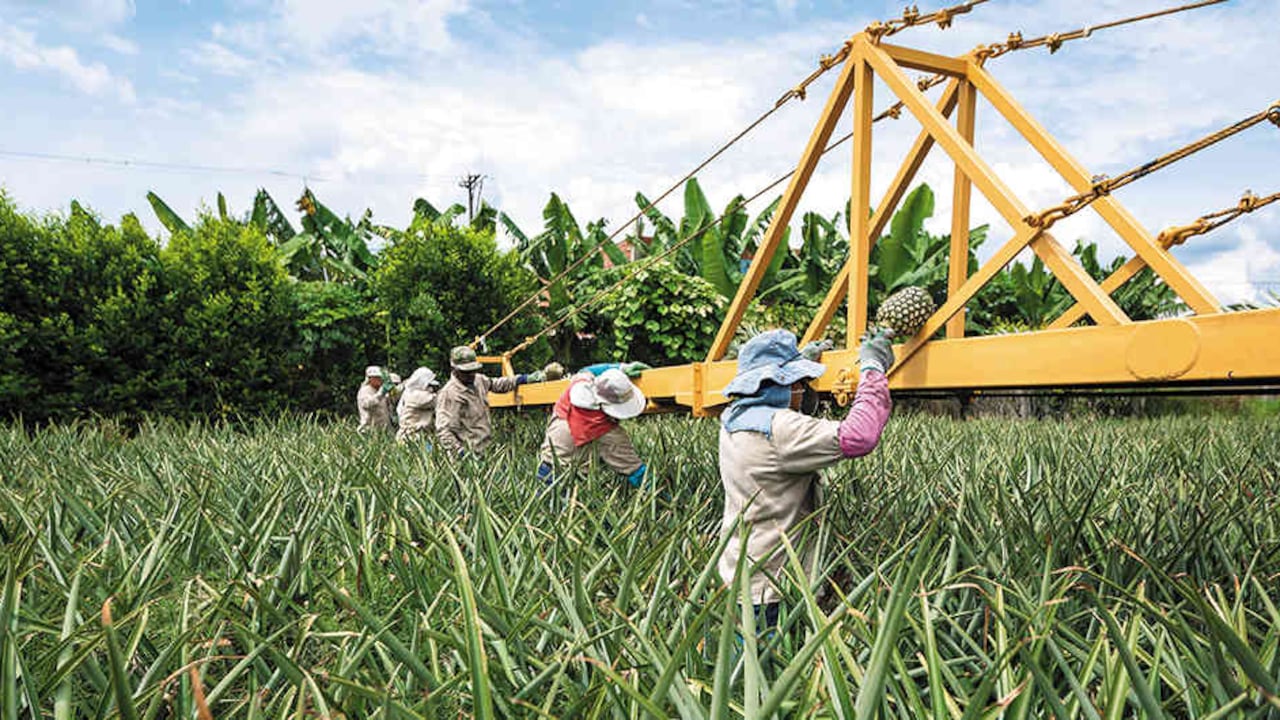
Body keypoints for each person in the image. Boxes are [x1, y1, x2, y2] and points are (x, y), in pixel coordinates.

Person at [716, 328, 894, 628]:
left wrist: (798, 370)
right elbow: (860, 437)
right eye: (800, 383)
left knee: (745, 665)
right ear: (780, 384)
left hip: (740, 573)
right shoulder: (781, 429)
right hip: (773, 587)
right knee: (767, 667)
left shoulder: (733, 418)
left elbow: (786, 413)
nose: (804, 389)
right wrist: (873, 369)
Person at [536, 363, 651, 489]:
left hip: (544, 468)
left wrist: (621, 367)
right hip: (567, 480)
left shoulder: (575, 389)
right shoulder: (606, 431)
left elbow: (586, 370)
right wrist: (661, 495)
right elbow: (635, 472)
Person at [434, 345, 541, 454]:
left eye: (473, 370)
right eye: (466, 372)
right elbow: (444, 431)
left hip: (486, 449)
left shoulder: (479, 380)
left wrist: (523, 379)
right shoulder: (449, 394)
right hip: (468, 454)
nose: (471, 375)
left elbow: (497, 384)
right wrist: (461, 453)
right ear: (454, 369)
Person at [396, 367, 441, 446]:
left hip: (419, 437)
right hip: (412, 438)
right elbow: (439, 400)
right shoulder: (416, 395)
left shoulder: (409, 392)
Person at [356, 365, 394, 433]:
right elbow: (366, 404)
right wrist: (380, 394)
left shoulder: (381, 391)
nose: (380, 380)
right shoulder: (364, 391)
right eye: (377, 378)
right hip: (369, 430)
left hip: (383, 430)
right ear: (370, 378)